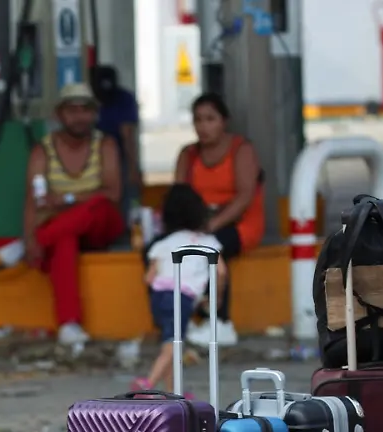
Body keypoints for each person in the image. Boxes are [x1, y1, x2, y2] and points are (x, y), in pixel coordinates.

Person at [24, 82, 126, 348]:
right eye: (72, 110)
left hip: (100, 225)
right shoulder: (43, 149)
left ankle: (44, 236)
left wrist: (67, 200)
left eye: (85, 110)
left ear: (94, 114)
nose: (79, 117)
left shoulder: (105, 143)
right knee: (64, 241)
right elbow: (33, 199)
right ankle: (69, 324)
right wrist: (28, 240)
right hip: (64, 228)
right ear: (60, 114)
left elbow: (112, 192)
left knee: (97, 205)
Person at [173, 93, 265, 347]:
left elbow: (245, 196)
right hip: (199, 224)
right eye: (198, 120)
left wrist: (211, 226)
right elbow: (179, 196)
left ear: (224, 121)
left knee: (211, 250)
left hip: (239, 223)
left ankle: (220, 322)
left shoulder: (241, 150)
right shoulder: (188, 154)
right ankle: (181, 320)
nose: (203, 126)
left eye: (210, 119)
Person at [133, 183, 226, 393]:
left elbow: (149, 278)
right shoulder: (208, 241)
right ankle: (147, 385)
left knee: (169, 342)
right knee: (175, 345)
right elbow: (220, 272)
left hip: (159, 297)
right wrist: (215, 297)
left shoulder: (163, 243)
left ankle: (173, 392)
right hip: (182, 297)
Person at [91, 65, 143, 210]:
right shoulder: (88, 100)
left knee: (128, 199)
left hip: (121, 156)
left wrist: (133, 167)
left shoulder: (124, 98)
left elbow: (127, 135)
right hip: (91, 159)